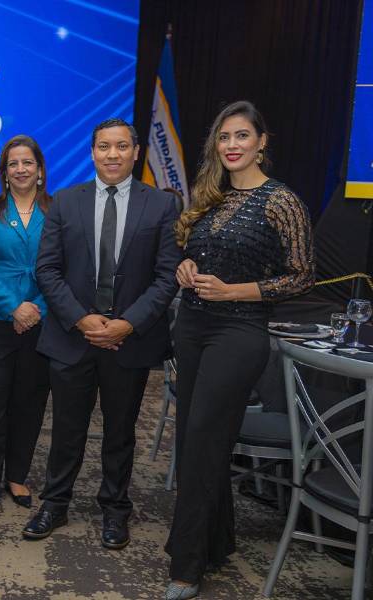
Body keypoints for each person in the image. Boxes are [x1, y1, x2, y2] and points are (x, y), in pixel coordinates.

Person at [163, 101, 314, 600]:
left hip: (240, 332)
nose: (231, 145)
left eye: (242, 136)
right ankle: (216, 541)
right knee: (193, 439)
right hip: (193, 326)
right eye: (224, 137)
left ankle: (185, 567)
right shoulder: (210, 197)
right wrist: (186, 268)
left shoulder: (281, 203)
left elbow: (300, 276)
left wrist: (237, 290)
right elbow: (196, 254)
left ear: (261, 142)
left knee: (203, 440)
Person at [24, 119, 181, 548]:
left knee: (120, 432)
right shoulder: (65, 202)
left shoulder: (162, 206)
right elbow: (48, 270)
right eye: (104, 147)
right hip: (74, 337)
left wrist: (127, 323)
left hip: (129, 339)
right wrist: (82, 319)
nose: (112, 154)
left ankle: (115, 509)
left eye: (121, 146)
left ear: (136, 152)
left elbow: (167, 277)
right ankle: (54, 503)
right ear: (92, 152)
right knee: (66, 430)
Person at [0, 135, 52, 516]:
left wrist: (36, 307)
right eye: (13, 164)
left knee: (29, 401)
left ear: (40, 170)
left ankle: (17, 475)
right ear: (3, 173)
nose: (20, 169)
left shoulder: (59, 211)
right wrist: (15, 309)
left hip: (43, 318)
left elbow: (65, 269)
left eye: (27, 163)